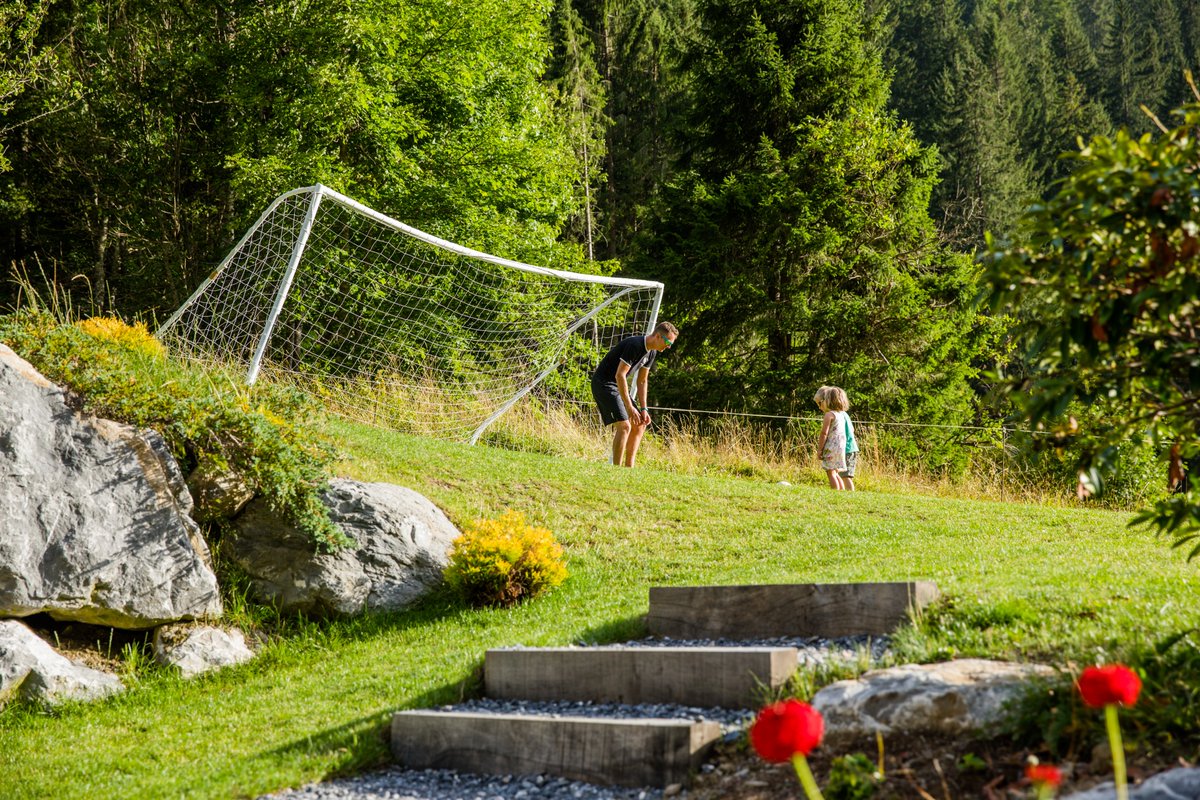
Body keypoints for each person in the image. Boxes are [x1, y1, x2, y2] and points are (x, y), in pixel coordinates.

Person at [591, 321, 678, 467]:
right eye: (668, 342)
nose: (669, 346)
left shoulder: (652, 352)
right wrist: (629, 407)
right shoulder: (635, 345)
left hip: (617, 385)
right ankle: (616, 470)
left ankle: (629, 469)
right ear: (657, 336)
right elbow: (620, 375)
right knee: (625, 426)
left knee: (640, 424)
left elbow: (642, 381)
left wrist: (644, 409)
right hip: (604, 383)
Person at [814, 385, 858, 490]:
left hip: (838, 448)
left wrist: (820, 449)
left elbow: (824, 433)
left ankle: (837, 491)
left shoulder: (829, 415)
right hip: (842, 448)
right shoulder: (841, 415)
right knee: (838, 473)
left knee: (832, 473)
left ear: (826, 401)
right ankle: (841, 492)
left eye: (820, 404)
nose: (820, 407)